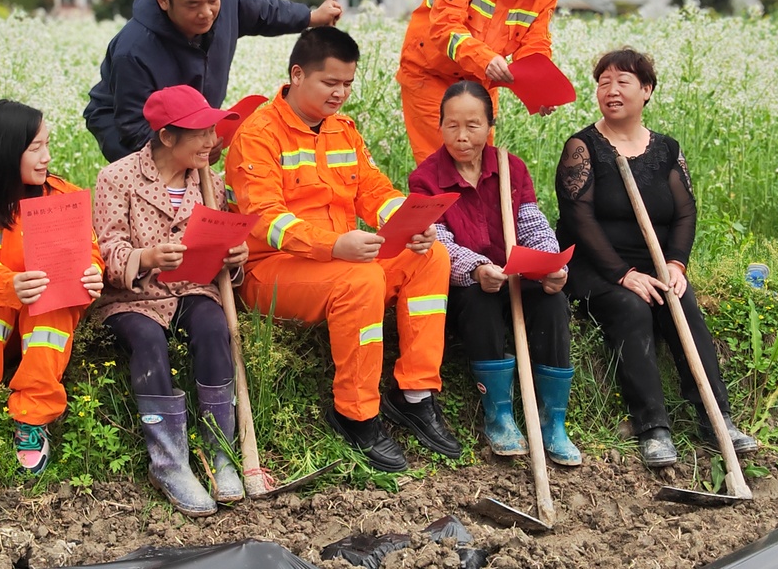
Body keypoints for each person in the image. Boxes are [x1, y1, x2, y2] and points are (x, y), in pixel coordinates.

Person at [225, 27, 460, 473]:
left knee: (431, 256)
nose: (341, 93)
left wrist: (406, 220)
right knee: (362, 279)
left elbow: (374, 190)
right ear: (297, 74)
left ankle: (414, 394)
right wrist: (334, 244)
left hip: (341, 258)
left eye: (348, 83)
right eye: (331, 82)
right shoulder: (257, 135)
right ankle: (356, 414)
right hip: (271, 270)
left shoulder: (343, 131)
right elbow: (266, 221)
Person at [555, 48, 757, 467]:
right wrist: (623, 274)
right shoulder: (583, 147)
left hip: (653, 263)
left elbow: (685, 212)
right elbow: (578, 219)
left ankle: (715, 417)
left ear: (646, 91)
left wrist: (676, 264)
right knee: (632, 308)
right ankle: (653, 427)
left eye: (622, 82)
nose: (610, 90)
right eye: (603, 82)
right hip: (596, 266)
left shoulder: (666, 149)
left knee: (681, 301)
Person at [92, 85, 249, 517]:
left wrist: (235, 256)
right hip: (134, 296)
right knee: (147, 341)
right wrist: (146, 257)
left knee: (214, 327)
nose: (212, 140)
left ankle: (221, 453)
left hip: (191, 289)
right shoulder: (117, 179)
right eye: (200, 133)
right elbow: (106, 251)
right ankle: (169, 462)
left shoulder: (209, 182)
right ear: (166, 137)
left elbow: (226, 248)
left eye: (212, 130)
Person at [409, 81, 580, 466]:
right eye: (452, 125)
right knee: (478, 301)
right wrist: (476, 268)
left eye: (473, 125)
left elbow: (532, 224)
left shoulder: (510, 166)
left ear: (490, 125)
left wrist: (553, 266)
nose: (462, 136)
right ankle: (499, 416)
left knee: (552, 301)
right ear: (440, 127)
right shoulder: (426, 178)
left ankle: (553, 421)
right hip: (472, 282)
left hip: (517, 274)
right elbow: (441, 244)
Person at [0, 100, 104, 474]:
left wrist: (92, 271)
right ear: (5, 152)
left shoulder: (60, 197)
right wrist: (6, 285)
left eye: (47, 144)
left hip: (36, 318)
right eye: (36, 148)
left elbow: (88, 251)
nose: (47, 157)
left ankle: (32, 417)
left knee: (54, 301)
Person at [84, 0, 343, 162]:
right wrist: (194, 146)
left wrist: (311, 17)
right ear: (164, 0)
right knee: (156, 186)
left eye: (212, 0)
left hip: (188, 122)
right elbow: (135, 129)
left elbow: (265, 12)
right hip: (123, 124)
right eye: (193, 5)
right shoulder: (134, 50)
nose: (207, 12)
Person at [397, 0, 575, 164]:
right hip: (430, 73)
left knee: (475, 168)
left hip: (481, 80)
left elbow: (535, 45)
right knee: (440, 169)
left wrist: (540, 89)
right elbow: (445, 26)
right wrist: (485, 59)